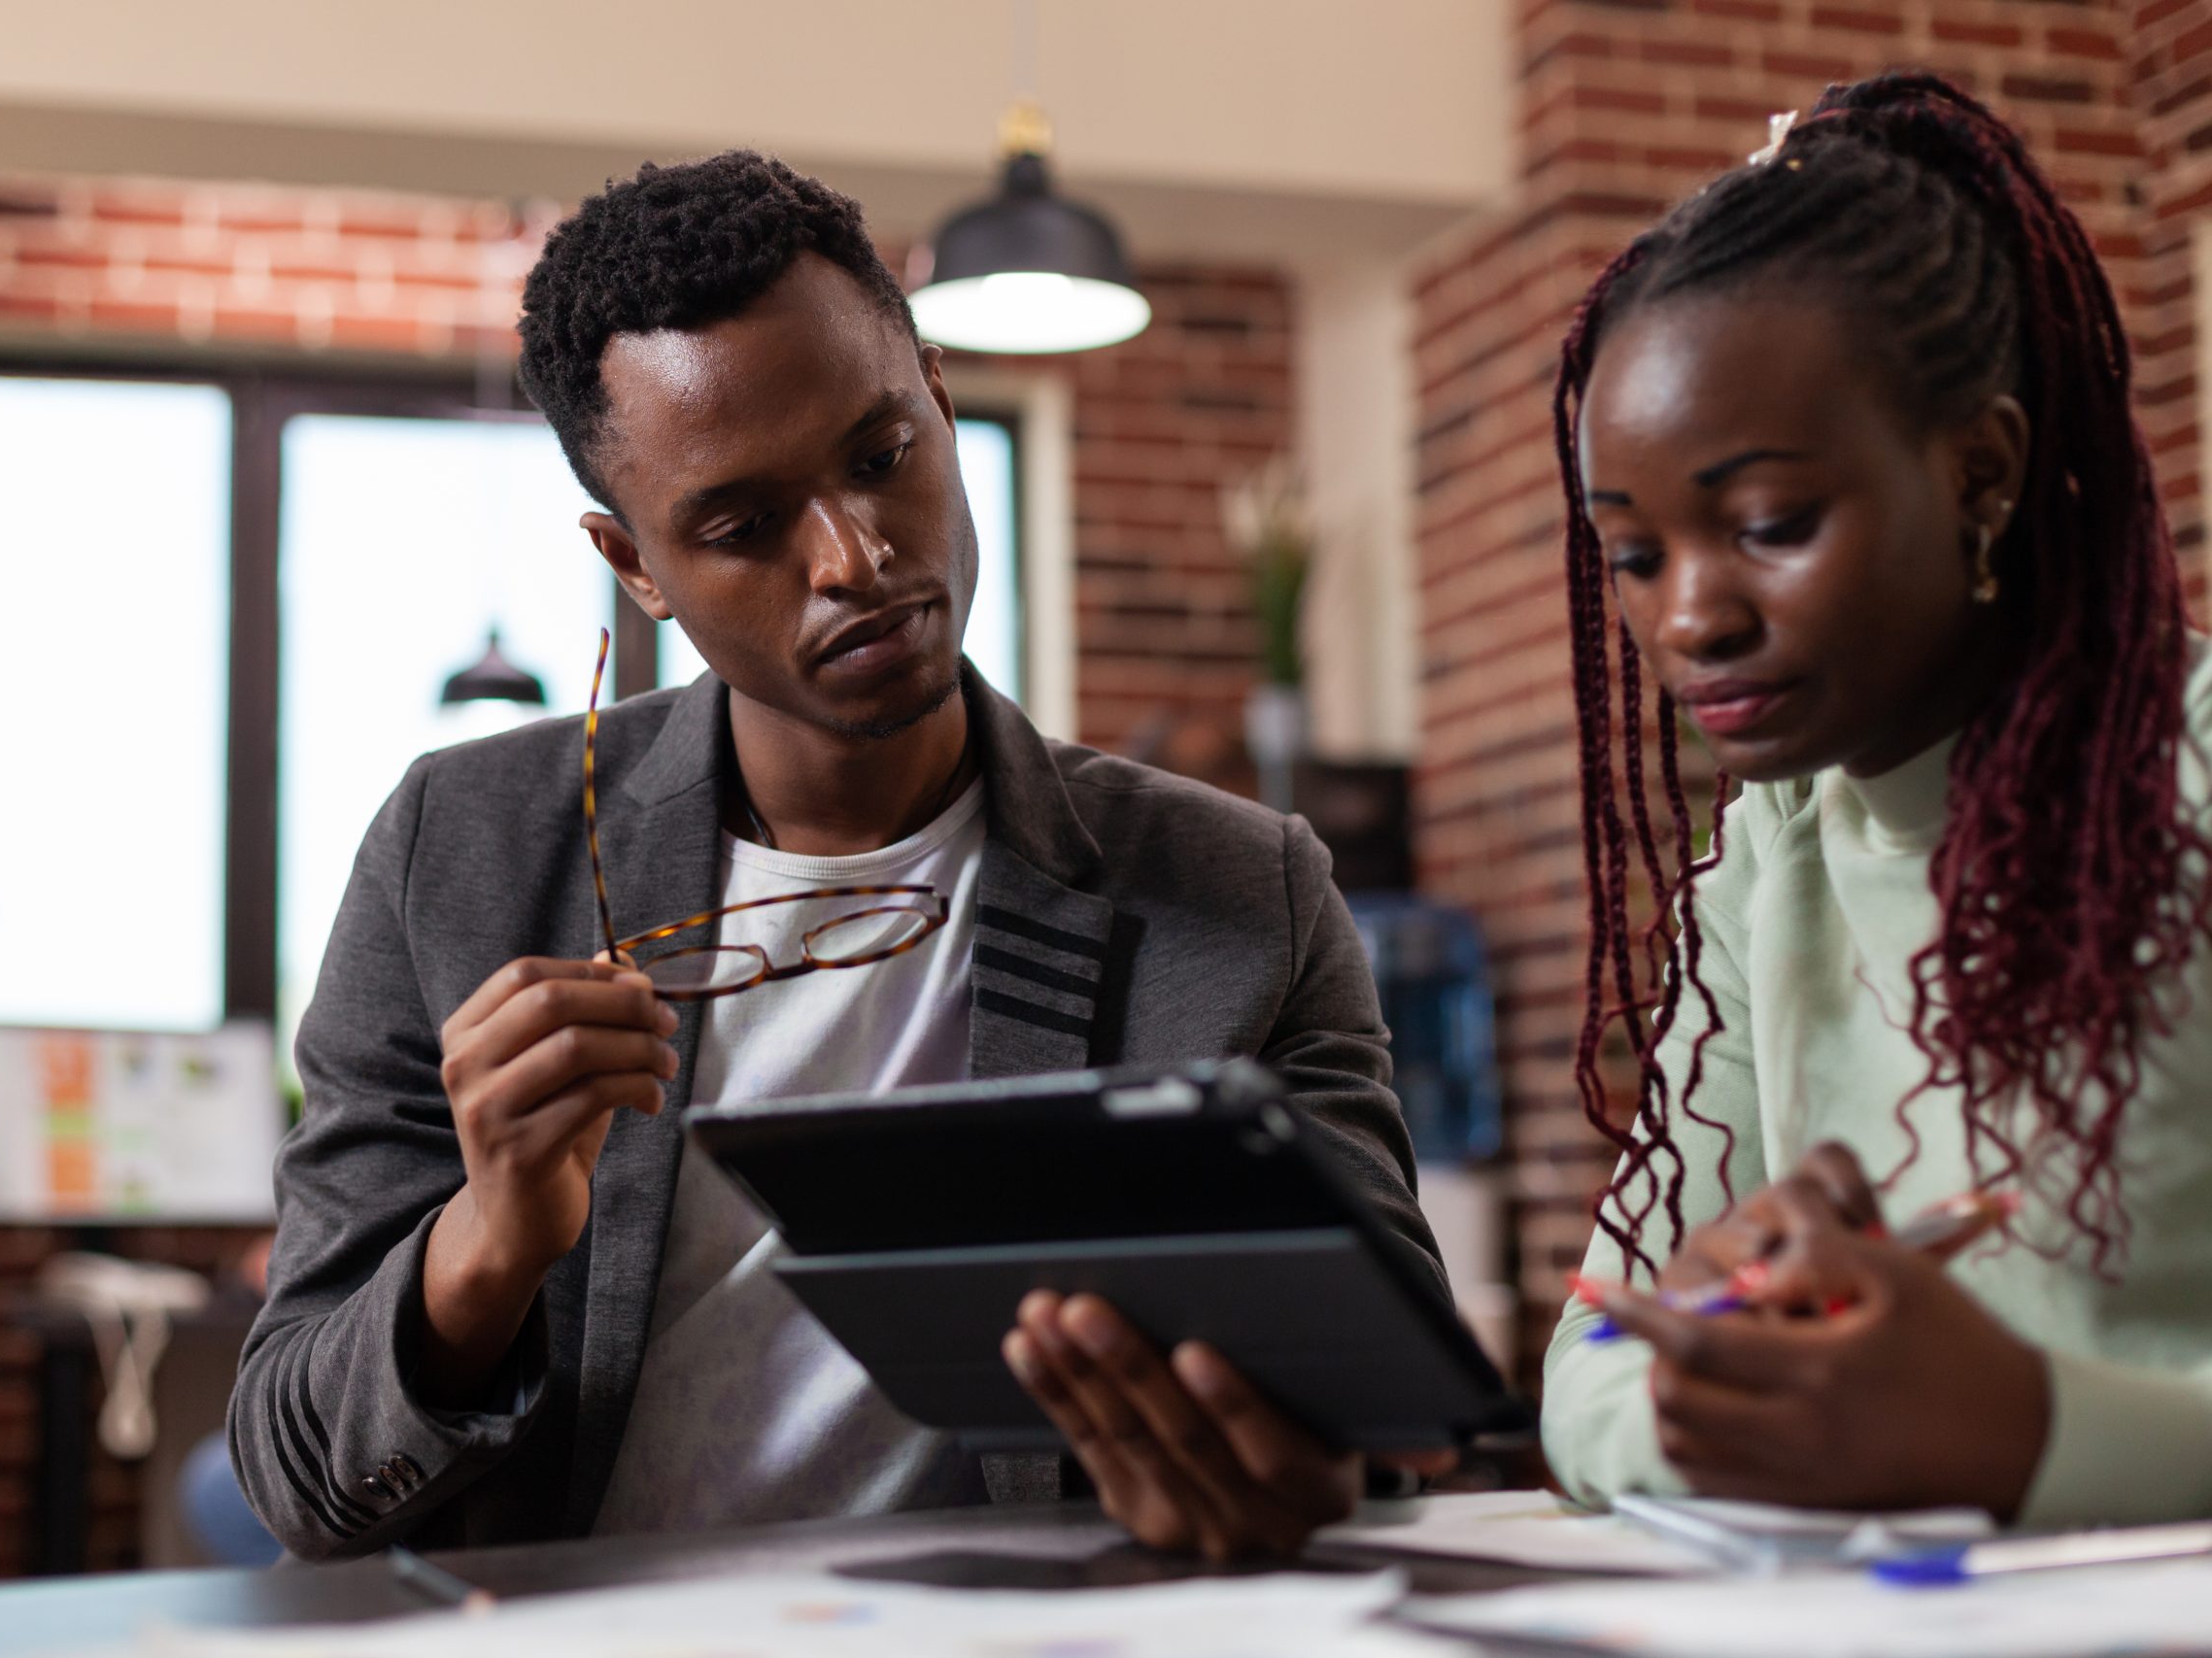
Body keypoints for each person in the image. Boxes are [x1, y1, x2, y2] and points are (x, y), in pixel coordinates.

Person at [231, 152, 1450, 1565]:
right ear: (635, 565)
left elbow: (1390, 1431)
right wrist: (492, 1238)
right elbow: (300, 1479)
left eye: (882, 457)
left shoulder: (1235, 891)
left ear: (938, 394)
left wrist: (1288, 1465)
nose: (855, 556)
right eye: (744, 526)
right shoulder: (466, 852)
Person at [1541, 73, 2212, 1526]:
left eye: (1770, 523)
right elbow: (1587, 1364)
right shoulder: (1767, 858)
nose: (1693, 617)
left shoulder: (2195, 772)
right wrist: (1726, 1376)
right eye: (1635, 553)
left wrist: (2032, 1431)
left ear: (1981, 471)